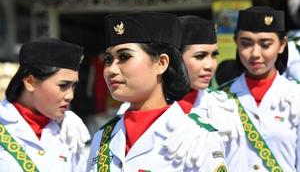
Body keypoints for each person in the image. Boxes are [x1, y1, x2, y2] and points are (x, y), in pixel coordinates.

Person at [86, 12, 227, 171]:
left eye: (124, 57)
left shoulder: (198, 137)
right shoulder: (103, 137)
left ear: (161, 63)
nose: (111, 69)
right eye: (108, 60)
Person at [160, 15, 247, 171]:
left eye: (214, 55)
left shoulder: (224, 110)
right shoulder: (141, 106)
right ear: (174, 59)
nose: (210, 65)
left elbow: (237, 165)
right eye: (200, 56)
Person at [221, 6, 300, 171]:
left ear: (282, 45)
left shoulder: (296, 96)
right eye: (246, 43)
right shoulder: (219, 99)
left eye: (265, 44)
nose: (255, 53)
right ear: (236, 42)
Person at [0, 37, 90, 172]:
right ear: (30, 82)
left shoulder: (69, 131)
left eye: (73, 86)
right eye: (63, 85)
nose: (70, 96)